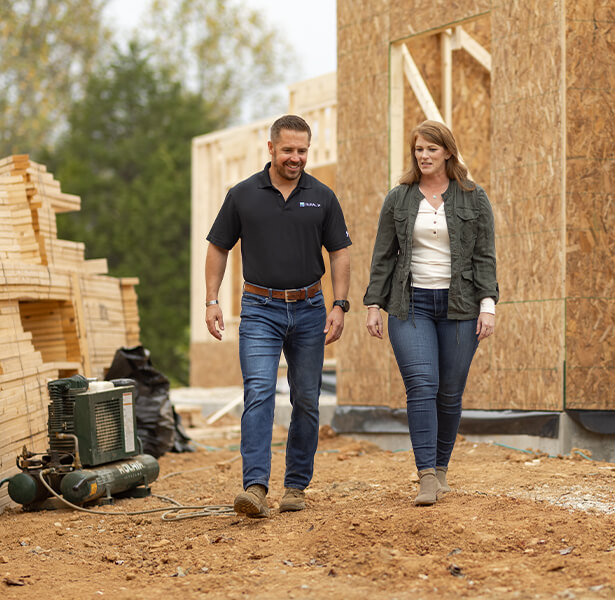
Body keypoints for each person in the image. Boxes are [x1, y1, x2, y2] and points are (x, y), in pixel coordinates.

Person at [204, 114, 352, 518]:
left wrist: (340, 304)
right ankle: (255, 487)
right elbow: (219, 246)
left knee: (306, 399)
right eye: (288, 150)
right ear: (271, 148)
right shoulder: (243, 195)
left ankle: (296, 487)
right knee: (259, 393)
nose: (295, 158)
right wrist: (211, 300)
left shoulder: (322, 196)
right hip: (259, 309)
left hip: (309, 309)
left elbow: (339, 251)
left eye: (302, 150)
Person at [364, 120, 498, 506]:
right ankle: (425, 475)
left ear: (448, 153)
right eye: (419, 150)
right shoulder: (400, 198)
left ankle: (441, 469)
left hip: (461, 307)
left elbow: (484, 257)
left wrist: (487, 306)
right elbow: (384, 256)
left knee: (449, 393)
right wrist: (374, 304)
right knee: (421, 385)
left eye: (431, 150)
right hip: (411, 305)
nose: (424, 156)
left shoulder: (474, 197)